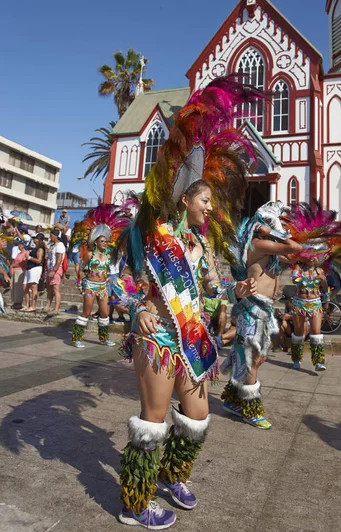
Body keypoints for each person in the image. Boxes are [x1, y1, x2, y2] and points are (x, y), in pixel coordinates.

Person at [118, 75, 263, 529]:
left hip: (194, 340)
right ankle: (134, 503)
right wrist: (136, 307)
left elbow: (213, 290)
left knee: (198, 416)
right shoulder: (153, 236)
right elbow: (117, 277)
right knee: (154, 422)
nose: (210, 205)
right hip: (159, 336)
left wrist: (230, 299)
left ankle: (172, 473)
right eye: (205, 198)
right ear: (185, 198)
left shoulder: (201, 247)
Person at [221, 201, 302, 429]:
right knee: (253, 360)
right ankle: (251, 409)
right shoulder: (258, 244)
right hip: (252, 309)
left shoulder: (268, 249)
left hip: (262, 310)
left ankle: (234, 401)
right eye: (275, 223)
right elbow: (294, 247)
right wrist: (272, 231)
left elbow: (296, 255)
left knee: (256, 358)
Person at [284, 202, 341, 371]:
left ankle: (318, 361)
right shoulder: (297, 269)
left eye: (314, 255)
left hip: (315, 303)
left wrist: (323, 284)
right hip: (299, 303)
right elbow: (296, 281)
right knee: (298, 333)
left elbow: (325, 288)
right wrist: (307, 277)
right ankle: (296, 358)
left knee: (316, 333)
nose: (312, 258)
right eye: (309, 255)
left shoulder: (320, 271)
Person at [70, 204, 132, 347]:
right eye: (102, 241)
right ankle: (77, 338)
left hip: (103, 287)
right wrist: (81, 283)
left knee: (104, 314)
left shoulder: (109, 256)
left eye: (106, 241)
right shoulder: (90, 255)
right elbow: (81, 269)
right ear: (96, 242)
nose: (105, 243)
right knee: (86, 311)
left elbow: (112, 269)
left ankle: (104, 338)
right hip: (90, 286)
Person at [44, 229, 66, 314]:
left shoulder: (60, 245)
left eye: (51, 235)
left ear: (56, 236)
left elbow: (59, 258)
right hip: (50, 267)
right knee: (49, 288)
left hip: (56, 268)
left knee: (56, 288)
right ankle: (48, 306)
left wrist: (54, 270)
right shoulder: (53, 245)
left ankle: (56, 308)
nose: (50, 237)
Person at [22, 233, 46, 312]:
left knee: (33, 286)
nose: (34, 240)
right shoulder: (34, 248)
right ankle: (27, 305)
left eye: (35, 238)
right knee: (25, 286)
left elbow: (38, 260)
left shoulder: (40, 249)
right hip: (29, 268)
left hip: (35, 268)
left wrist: (29, 257)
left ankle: (33, 305)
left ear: (39, 239)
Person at [10, 239, 30, 309]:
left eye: (19, 244)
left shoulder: (26, 253)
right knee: (14, 287)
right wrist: (12, 267)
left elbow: (24, 262)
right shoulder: (18, 254)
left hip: (21, 270)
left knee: (19, 287)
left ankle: (18, 302)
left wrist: (14, 265)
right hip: (15, 270)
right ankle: (15, 301)